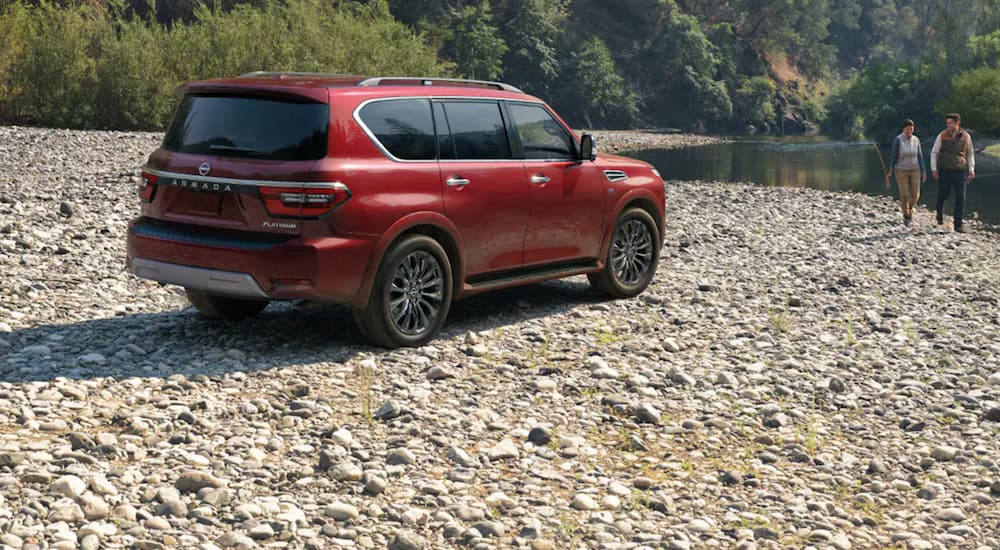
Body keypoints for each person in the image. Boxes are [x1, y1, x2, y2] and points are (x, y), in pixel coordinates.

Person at [930, 113, 976, 233]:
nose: (948, 125)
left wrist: (971, 168)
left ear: (957, 123)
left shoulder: (966, 136)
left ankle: (958, 224)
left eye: (950, 123)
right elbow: (934, 152)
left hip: (960, 171)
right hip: (945, 170)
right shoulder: (942, 135)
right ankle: (939, 213)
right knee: (943, 195)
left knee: (961, 198)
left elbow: (970, 153)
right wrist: (933, 168)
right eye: (947, 123)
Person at [886, 119, 927, 226]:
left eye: (911, 129)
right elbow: (894, 156)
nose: (909, 132)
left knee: (915, 194)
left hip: (915, 169)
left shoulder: (916, 140)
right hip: (901, 169)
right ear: (903, 129)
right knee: (904, 194)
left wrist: (924, 171)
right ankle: (907, 216)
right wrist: (890, 170)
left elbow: (920, 156)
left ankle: (909, 207)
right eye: (907, 129)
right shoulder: (898, 140)